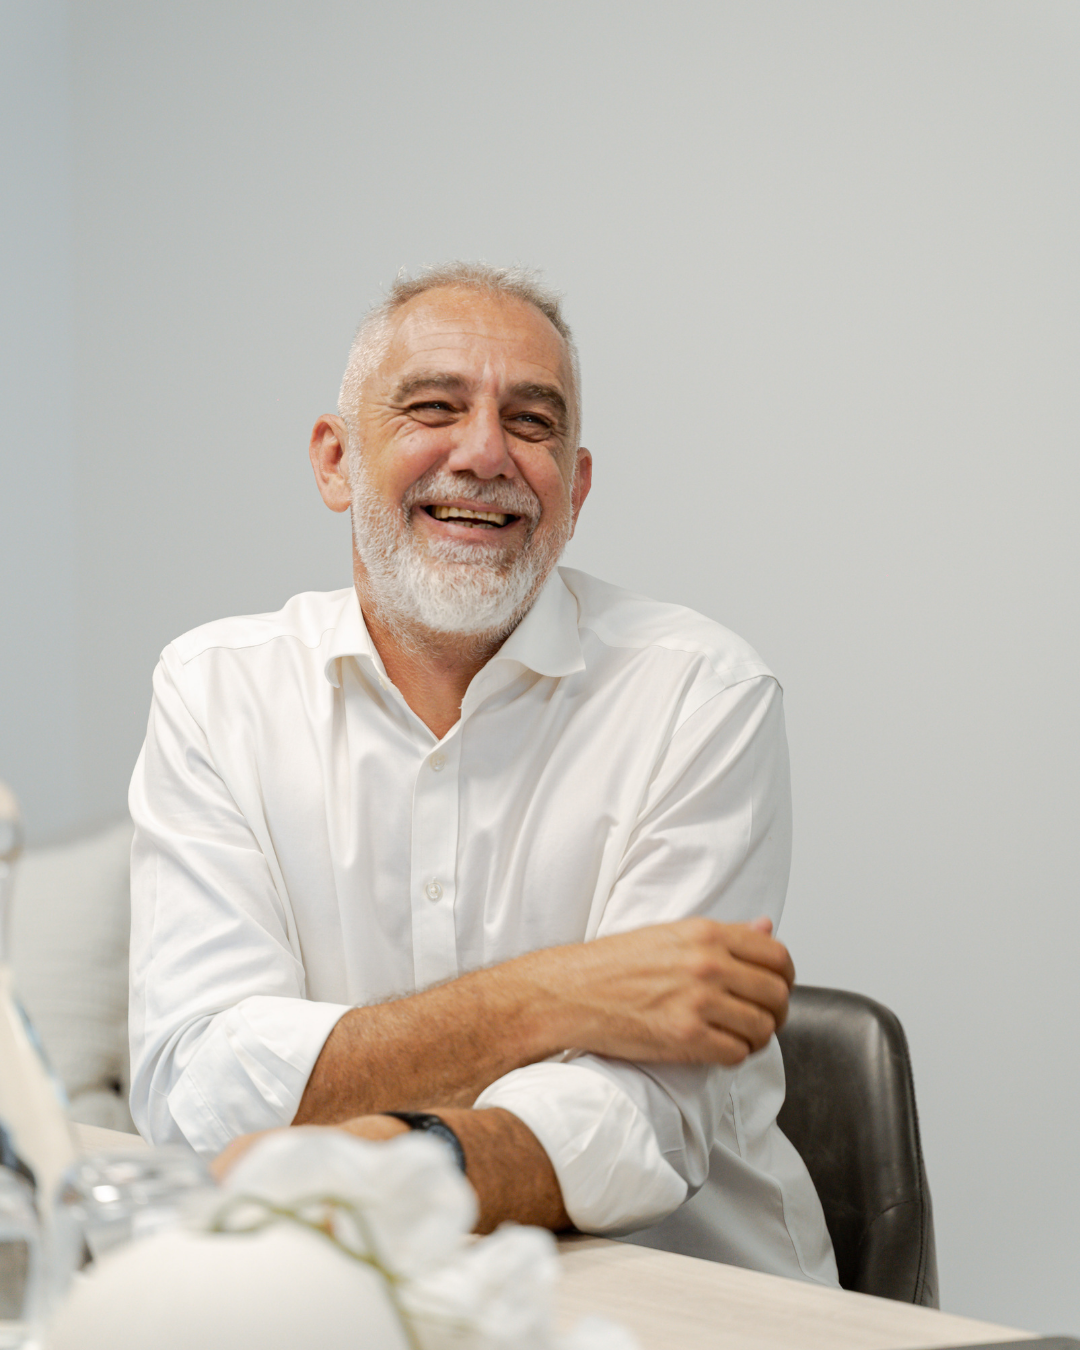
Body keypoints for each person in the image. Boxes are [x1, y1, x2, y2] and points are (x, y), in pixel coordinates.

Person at [128, 263, 838, 1284]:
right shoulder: (213, 692)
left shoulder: (703, 695)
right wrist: (557, 994)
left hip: (678, 1293)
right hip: (344, 1296)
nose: (484, 453)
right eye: (433, 408)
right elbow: (200, 1088)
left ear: (577, 488)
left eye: (533, 423)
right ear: (336, 462)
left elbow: (642, 1119)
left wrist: (385, 1160)